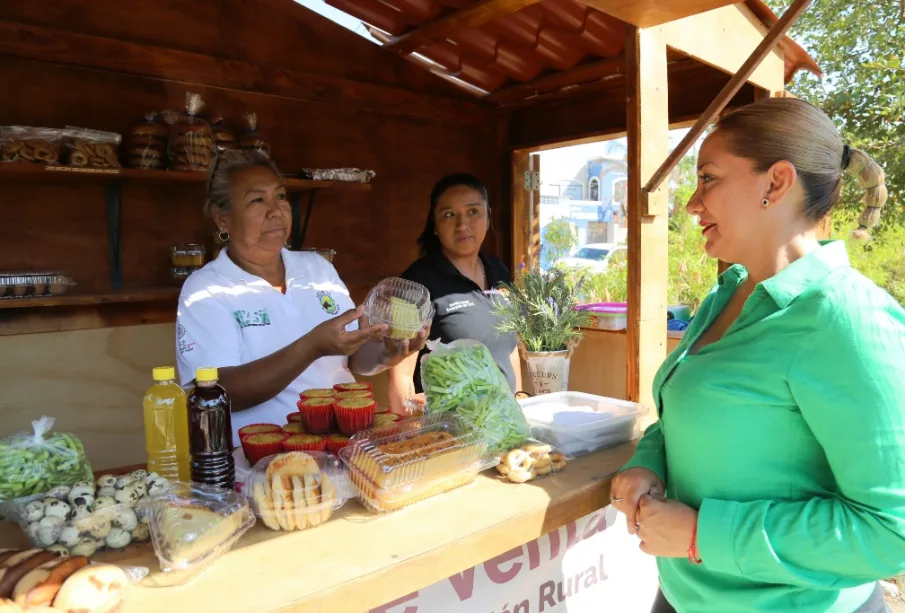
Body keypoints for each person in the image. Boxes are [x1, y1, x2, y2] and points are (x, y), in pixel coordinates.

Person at [609, 98, 905, 613]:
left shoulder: (845, 317)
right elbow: (689, 411)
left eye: (708, 179)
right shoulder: (729, 293)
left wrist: (704, 536)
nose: (692, 204)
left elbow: (891, 530)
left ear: (776, 182)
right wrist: (648, 461)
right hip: (684, 594)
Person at [175, 150, 429, 444]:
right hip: (259, 459)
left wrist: (388, 354)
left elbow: (355, 358)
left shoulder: (317, 269)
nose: (275, 211)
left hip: (343, 446)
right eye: (257, 200)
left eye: (280, 196)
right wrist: (311, 347)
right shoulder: (206, 290)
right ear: (223, 220)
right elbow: (217, 393)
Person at [386, 173, 521, 413]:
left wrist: (519, 405)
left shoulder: (498, 270)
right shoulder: (414, 284)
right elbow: (400, 374)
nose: (462, 225)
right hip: (451, 433)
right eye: (449, 215)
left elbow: (509, 350)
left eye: (473, 211)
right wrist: (414, 436)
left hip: (505, 426)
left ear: (488, 216)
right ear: (435, 226)